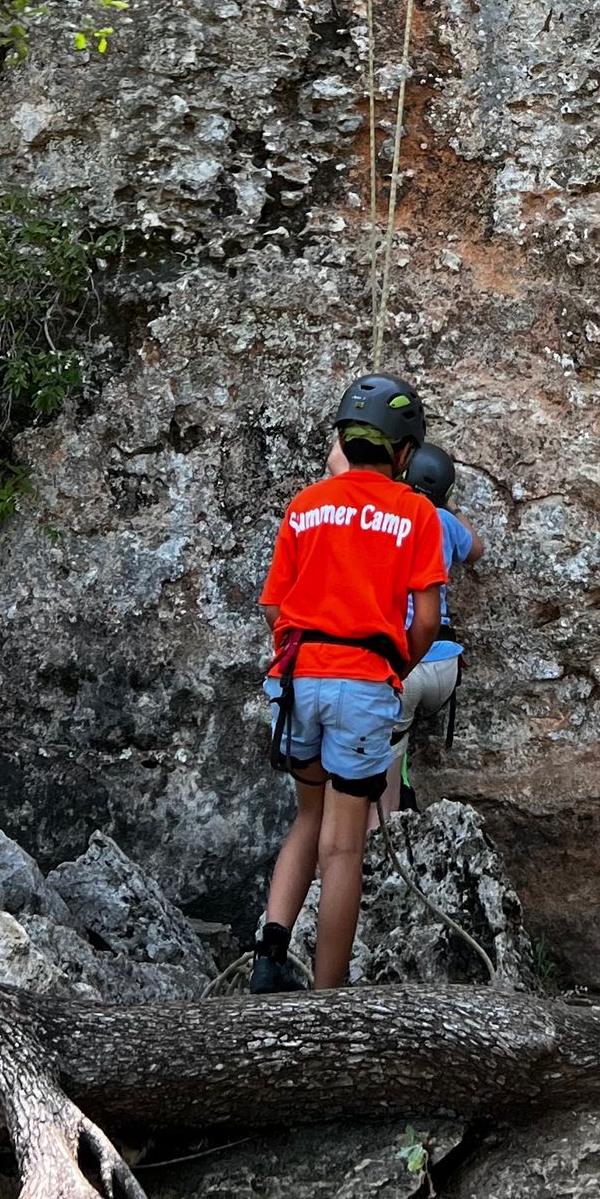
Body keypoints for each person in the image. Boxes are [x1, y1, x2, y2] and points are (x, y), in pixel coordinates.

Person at [251, 373, 447, 994]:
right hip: (363, 683)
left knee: (306, 819)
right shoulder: (416, 512)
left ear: (343, 438)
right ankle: (327, 1001)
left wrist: (299, 656)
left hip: (298, 679)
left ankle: (270, 956)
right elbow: (429, 618)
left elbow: (274, 606)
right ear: (405, 453)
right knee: (342, 849)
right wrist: (395, 671)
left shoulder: (306, 505)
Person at [379, 442, 484, 819]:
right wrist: (449, 505)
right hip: (444, 666)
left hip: (406, 659)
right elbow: (476, 551)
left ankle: (386, 832)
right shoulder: (445, 520)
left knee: (383, 766)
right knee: (400, 738)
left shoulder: (392, 515)